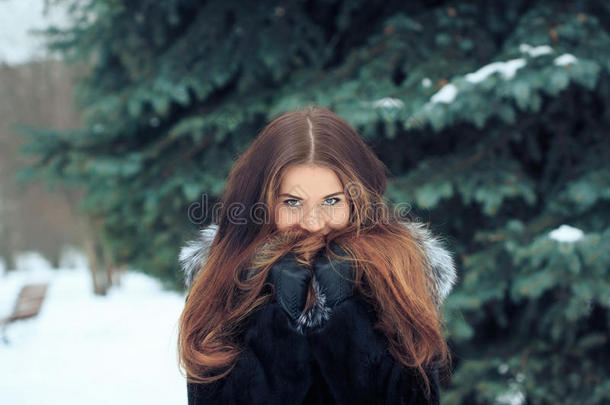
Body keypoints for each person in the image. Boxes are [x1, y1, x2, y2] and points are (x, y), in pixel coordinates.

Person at [177, 105, 457, 404]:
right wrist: (274, 327)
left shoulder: (401, 274)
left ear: (358, 201)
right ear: (262, 204)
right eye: (293, 202)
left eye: (331, 200)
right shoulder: (224, 280)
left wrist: (348, 322)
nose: (312, 223)